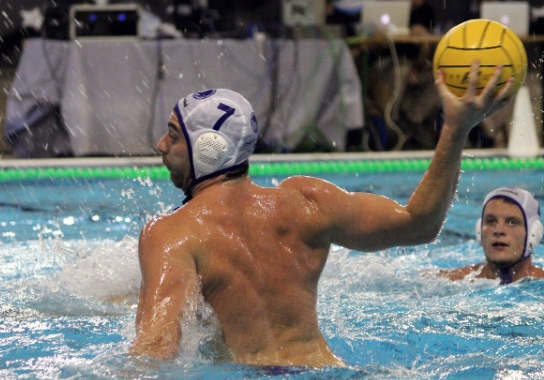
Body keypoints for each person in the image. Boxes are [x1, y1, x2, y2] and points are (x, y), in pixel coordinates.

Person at [130, 62, 513, 367]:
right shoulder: (307, 202)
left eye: (174, 135)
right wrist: (455, 129)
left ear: (209, 148)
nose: (161, 146)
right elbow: (419, 225)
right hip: (328, 369)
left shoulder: (170, 233)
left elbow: (155, 353)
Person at [439, 187, 544, 284]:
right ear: (480, 231)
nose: (498, 230)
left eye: (512, 222)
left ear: (533, 233)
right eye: (491, 221)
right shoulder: (450, 281)